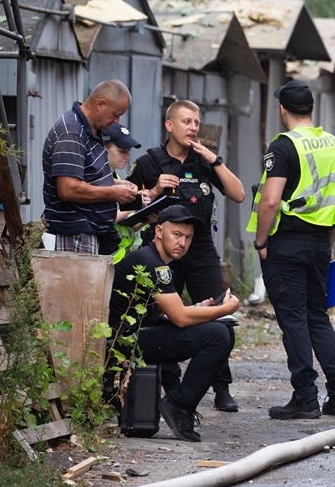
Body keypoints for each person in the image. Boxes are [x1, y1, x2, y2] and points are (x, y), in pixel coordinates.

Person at [126, 100, 246, 413]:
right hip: (162, 249)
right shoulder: (150, 162)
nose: (193, 128)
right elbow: (130, 215)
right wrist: (153, 190)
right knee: (163, 314)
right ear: (169, 125)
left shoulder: (204, 161)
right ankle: (171, 387)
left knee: (217, 311)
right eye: (186, 121)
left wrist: (215, 160)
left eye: (196, 122)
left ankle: (221, 389)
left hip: (201, 244)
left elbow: (238, 194)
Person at [249, 80, 335, 420]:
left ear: (282, 109)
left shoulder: (282, 146)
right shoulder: (334, 145)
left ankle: (305, 397)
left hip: (287, 244)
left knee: (293, 320)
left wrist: (261, 242)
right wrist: (328, 244)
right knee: (317, 317)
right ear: (311, 108)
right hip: (321, 243)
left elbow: (271, 200)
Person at [108, 205, 240, 442]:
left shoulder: (155, 258)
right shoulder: (154, 263)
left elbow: (165, 313)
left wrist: (198, 310)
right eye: (176, 235)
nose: (183, 243)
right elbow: (179, 318)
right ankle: (179, 405)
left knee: (222, 331)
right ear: (159, 231)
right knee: (218, 335)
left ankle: (180, 403)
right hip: (127, 341)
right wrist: (224, 309)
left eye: (188, 238)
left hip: (138, 334)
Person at [42, 80, 138, 253]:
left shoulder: (91, 129)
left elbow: (87, 177)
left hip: (86, 231)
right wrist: (113, 193)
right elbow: (68, 189)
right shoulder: (72, 131)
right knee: (78, 281)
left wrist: (118, 184)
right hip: (74, 232)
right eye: (115, 114)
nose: (116, 121)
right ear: (100, 105)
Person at [97, 124, 150, 262]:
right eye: (122, 151)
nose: (127, 156)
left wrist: (146, 218)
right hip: (103, 258)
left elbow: (125, 227)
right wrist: (133, 205)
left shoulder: (119, 180)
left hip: (122, 257)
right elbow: (104, 218)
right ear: (103, 149)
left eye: (129, 151)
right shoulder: (96, 181)